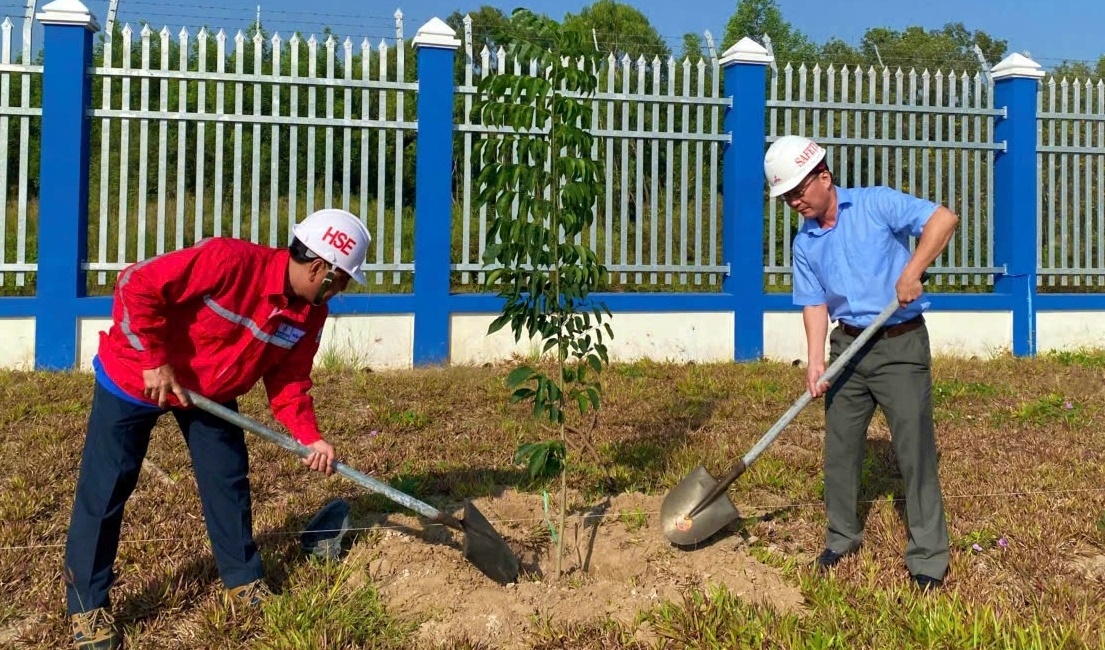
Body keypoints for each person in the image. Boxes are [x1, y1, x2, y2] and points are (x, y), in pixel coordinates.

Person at [64, 208, 372, 649]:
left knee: (227, 480)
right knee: (108, 485)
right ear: (319, 268)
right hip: (136, 375)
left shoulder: (309, 314)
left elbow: (289, 381)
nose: (339, 291)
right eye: (340, 281)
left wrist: (309, 435)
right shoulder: (228, 261)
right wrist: (154, 359)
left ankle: (244, 580)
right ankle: (87, 607)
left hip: (210, 392)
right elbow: (136, 283)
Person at [763, 135, 958, 592]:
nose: (794, 203)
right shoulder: (805, 242)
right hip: (846, 349)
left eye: (798, 191)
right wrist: (816, 361)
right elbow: (814, 303)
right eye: (786, 197)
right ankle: (842, 537)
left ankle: (928, 558)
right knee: (841, 447)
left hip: (899, 346)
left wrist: (911, 271)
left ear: (824, 177)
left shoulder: (876, 204)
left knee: (914, 451)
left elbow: (943, 219)